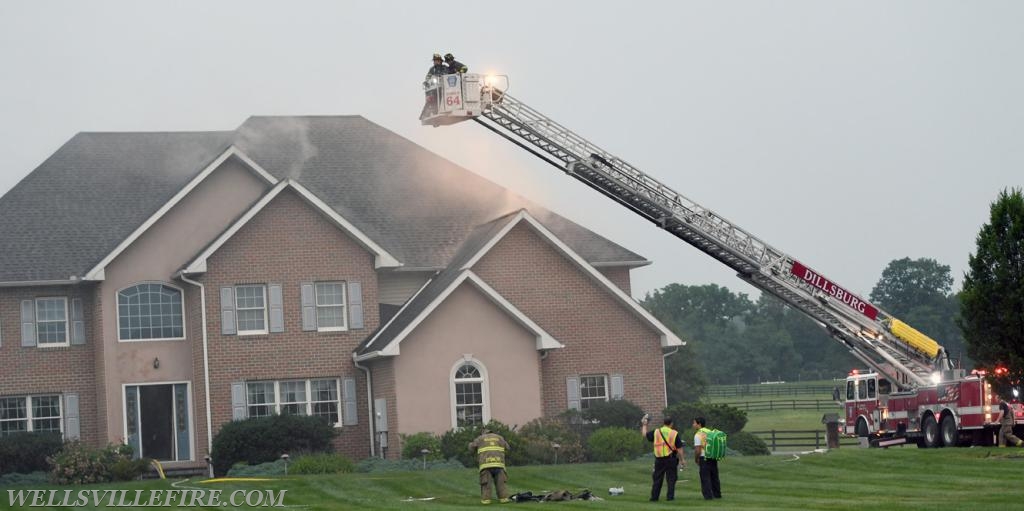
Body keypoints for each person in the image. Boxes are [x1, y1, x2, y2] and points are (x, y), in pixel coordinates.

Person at [642, 415, 685, 501]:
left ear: (663, 423)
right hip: (671, 459)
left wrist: (644, 425)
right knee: (671, 479)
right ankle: (670, 497)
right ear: (671, 424)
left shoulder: (656, 432)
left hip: (659, 460)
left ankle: (654, 497)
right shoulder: (674, 433)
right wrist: (682, 460)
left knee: (657, 479)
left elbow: (644, 435)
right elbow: (679, 449)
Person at [469, 427, 511, 504]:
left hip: (486, 465)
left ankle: (486, 500)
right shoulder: (499, 437)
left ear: (483, 432)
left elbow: (471, 447)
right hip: (499, 464)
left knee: (486, 484)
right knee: (501, 484)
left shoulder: (480, 438)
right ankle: (504, 499)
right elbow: (508, 447)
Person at [693, 417, 722, 500]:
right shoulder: (710, 432)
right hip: (713, 456)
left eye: (694, 423)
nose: (693, 425)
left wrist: (696, 459)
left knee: (705, 477)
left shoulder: (698, 434)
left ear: (699, 424)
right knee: (714, 476)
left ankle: (708, 496)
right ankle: (717, 494)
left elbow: (698, 450)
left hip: (703, 457)